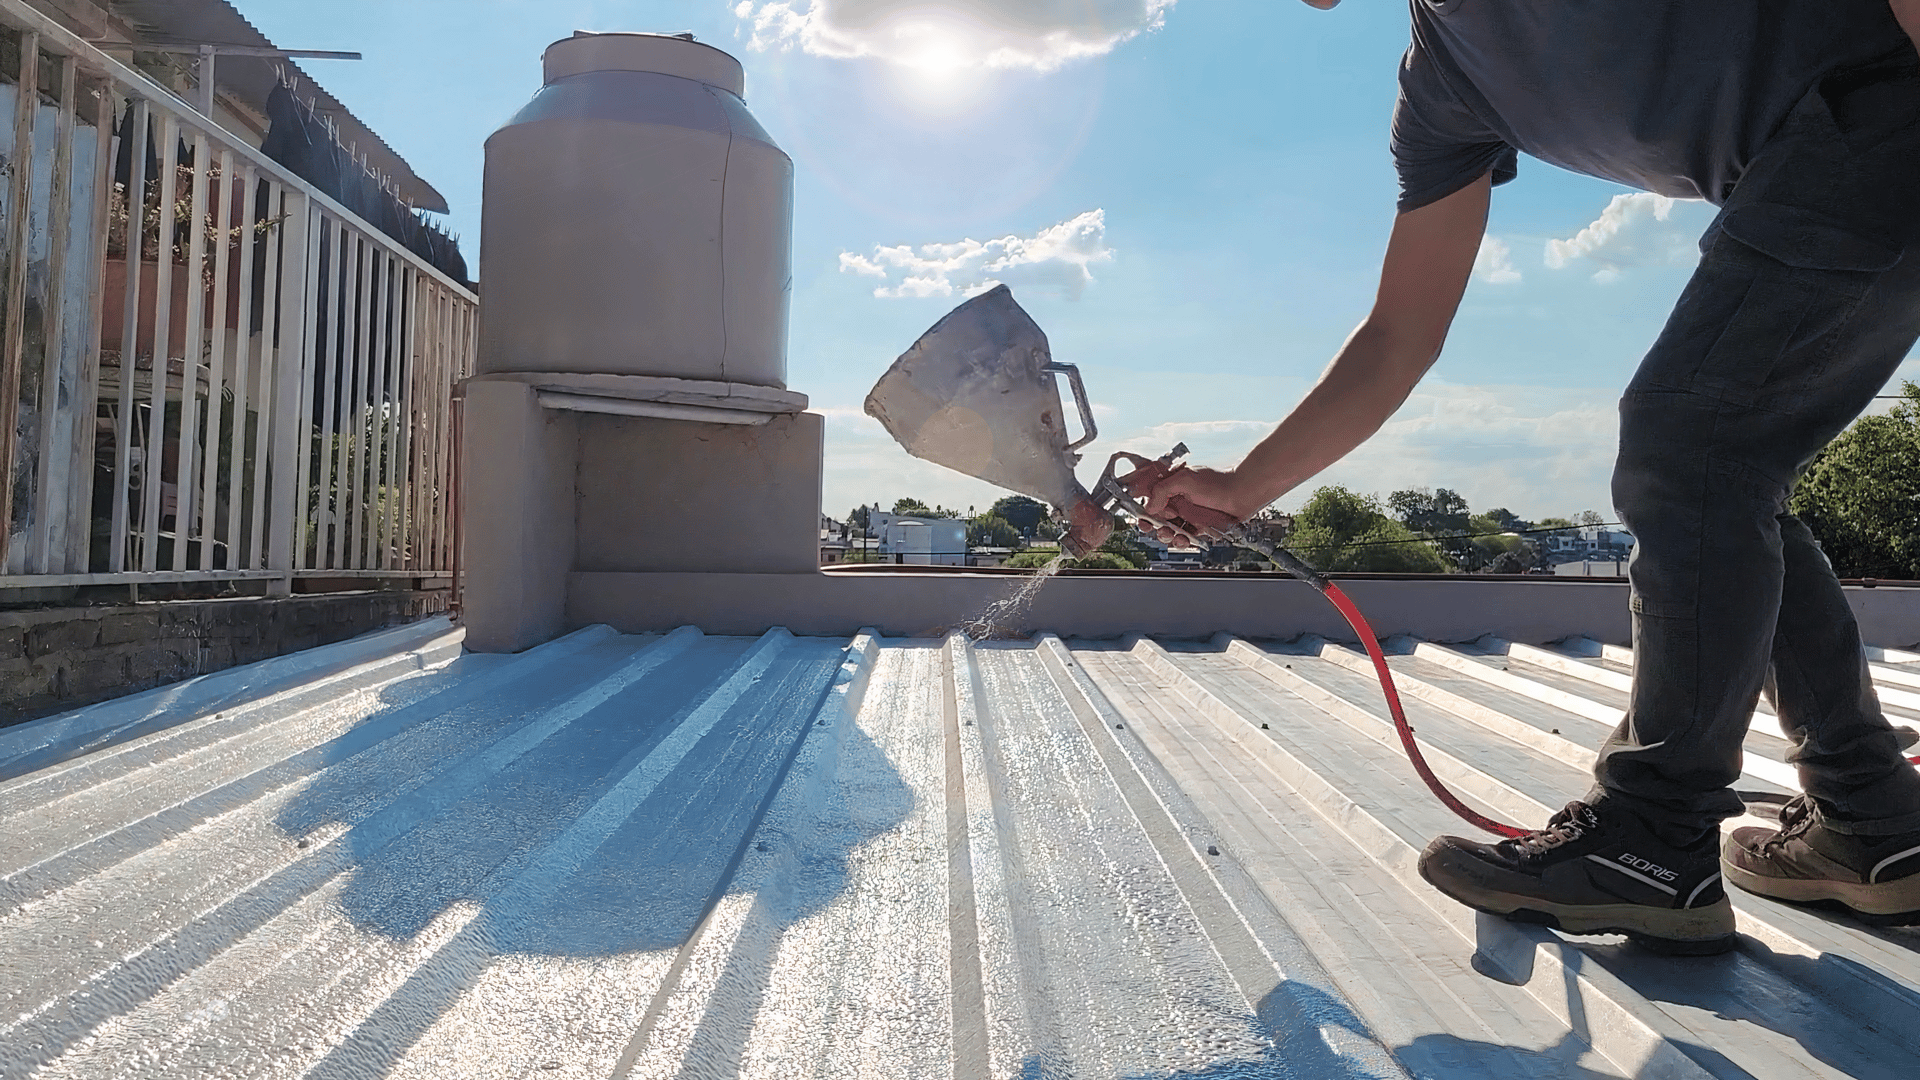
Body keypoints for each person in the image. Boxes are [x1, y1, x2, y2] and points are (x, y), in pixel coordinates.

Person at [1128, 0, 1920, 954]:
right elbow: (1397, 338)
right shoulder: (1444, 90)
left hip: (1882, 114)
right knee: (1721, 472)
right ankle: (1872, 819)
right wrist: (1243, 487)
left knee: (1693, 448)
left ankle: (1653, 839)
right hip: (1828, 156)